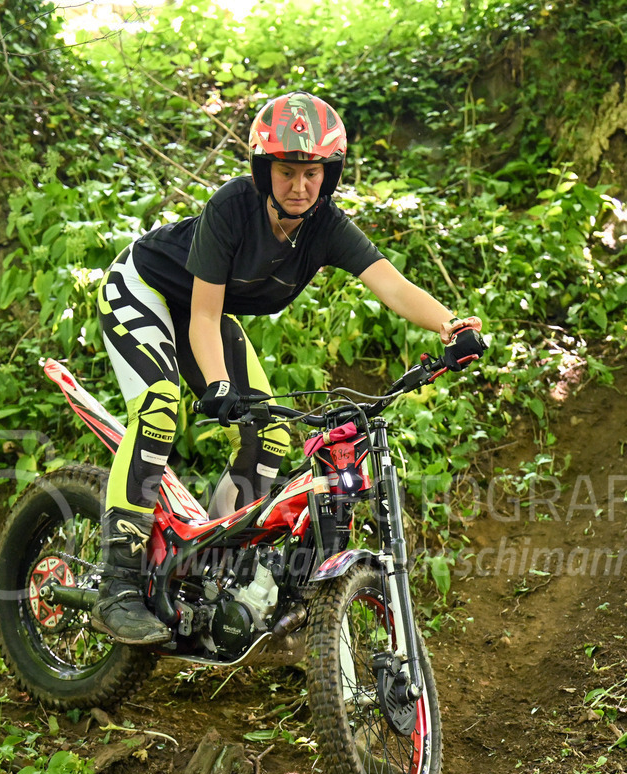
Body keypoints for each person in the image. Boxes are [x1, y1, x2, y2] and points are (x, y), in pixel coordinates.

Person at [93, 90, 480, 644]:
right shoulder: (233, 208)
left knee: (272, 437)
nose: (300, 185)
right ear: (262, 169)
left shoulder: (325, 227)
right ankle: (119, 585)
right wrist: (220, 387)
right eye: (287, 171)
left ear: (330, 174)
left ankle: (209, 569)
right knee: (158, 412)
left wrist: (450, 325)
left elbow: (390, 283)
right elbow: (203, 317)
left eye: (313, 172)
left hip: (202, 310)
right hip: (143, 291)